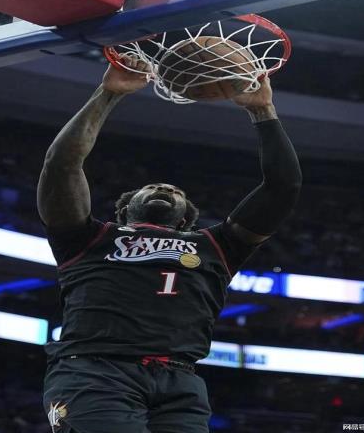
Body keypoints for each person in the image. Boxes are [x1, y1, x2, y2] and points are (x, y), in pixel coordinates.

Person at [37, 56, 302, 433]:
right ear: (124, 209)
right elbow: (62, 164)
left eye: (174, 190)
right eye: (151, 187)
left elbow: (283, 187)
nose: (163, 188)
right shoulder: (86, 237)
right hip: (94, 371)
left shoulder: (217, 246)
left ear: (185, 218)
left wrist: (263, 111)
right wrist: (108, 93)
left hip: (180, 382)